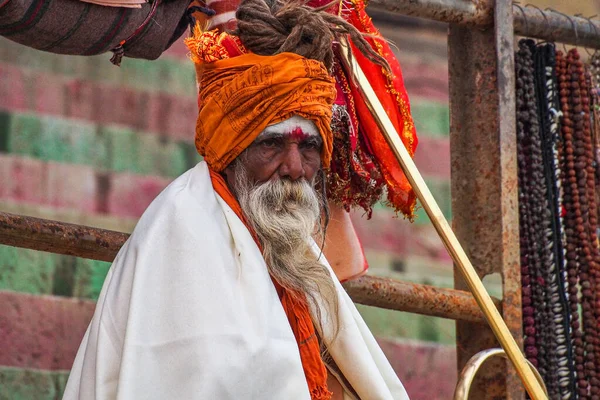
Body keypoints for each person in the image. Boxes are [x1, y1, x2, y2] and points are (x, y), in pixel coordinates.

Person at [62, 0, 411, 398]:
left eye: (310, 147)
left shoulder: (289, 243)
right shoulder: (184, 226)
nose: (295, 168)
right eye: (272, 145)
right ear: (232, 150)